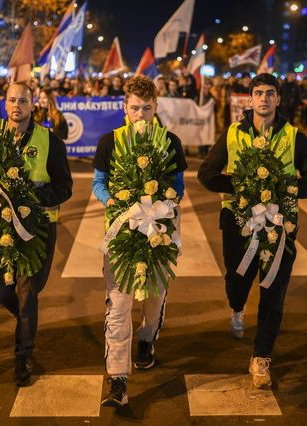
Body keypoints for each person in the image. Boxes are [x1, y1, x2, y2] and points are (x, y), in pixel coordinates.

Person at [198, 73, 307, 389]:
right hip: (237, 223)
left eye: (270, 93)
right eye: (258, 93)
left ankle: (261, 356)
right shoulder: (232, 133)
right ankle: (237, 308)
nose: (264, 98)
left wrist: (283, 188)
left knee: (273, 290)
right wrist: (243, 185)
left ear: (278, 99)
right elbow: (207, 173)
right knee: (237, 280)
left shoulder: (294, 136)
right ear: (250, 99)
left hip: (280, 226)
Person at [92, 76, 187, 407]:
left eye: (147, 108)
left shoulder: (171, 142)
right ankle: (118, 379)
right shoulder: (110, 141)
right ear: (124, 108)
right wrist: (114, 203)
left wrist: (165, 204)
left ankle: (146, 340)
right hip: (121, 236)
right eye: (134, 108)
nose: (141, 115)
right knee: (118, 306)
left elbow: (179, 184)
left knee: (155, 297)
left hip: (159, 235)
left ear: (156, 107)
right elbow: (98, 183)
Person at [0, 82, 72, 387]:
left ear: (33, 104)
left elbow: (65, 188)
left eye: (23, 100)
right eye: (11, 100)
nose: (16, 106)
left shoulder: (50, 141)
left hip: (37, 229)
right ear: (4, 104)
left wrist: (33, 197)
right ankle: (23, 320)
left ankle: (24, 353)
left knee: (27, 291)